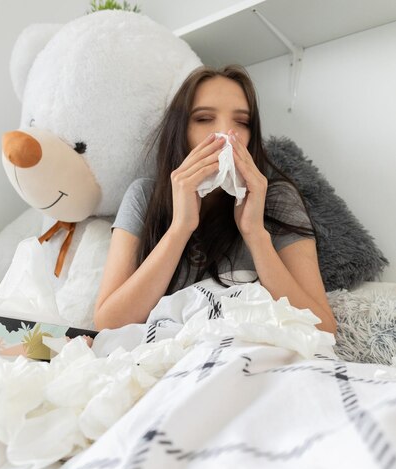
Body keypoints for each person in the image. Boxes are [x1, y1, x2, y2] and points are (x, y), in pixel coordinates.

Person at [94, 65, 337, 335]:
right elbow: (109, 323)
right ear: (180, 130)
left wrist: (255, 233)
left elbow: (323, 328)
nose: (225, 134)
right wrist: (180, 228)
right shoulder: (145, 196)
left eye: (241, 122)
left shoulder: (278, 198)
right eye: (204, 119)